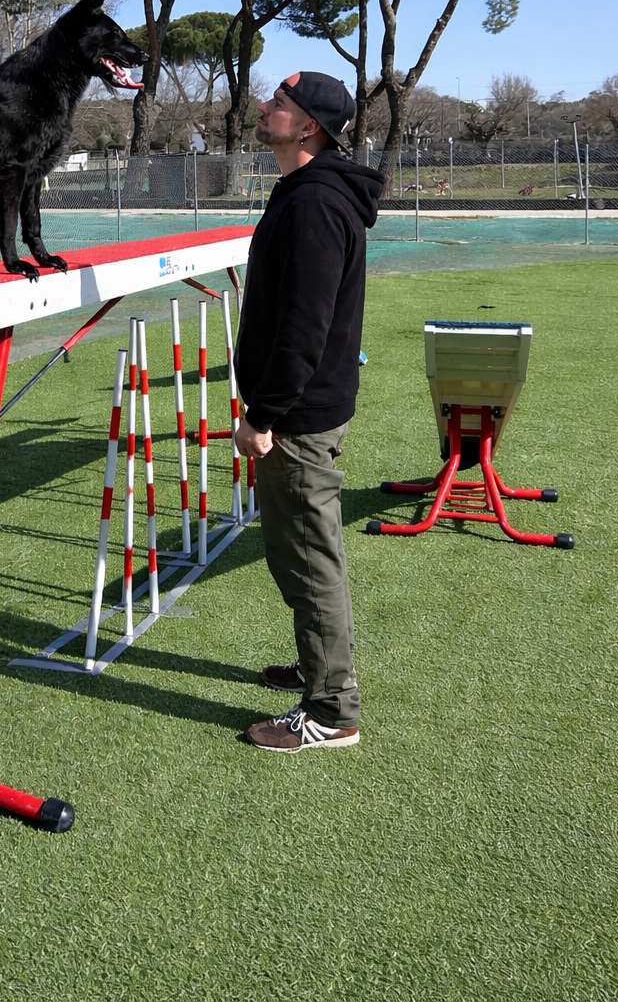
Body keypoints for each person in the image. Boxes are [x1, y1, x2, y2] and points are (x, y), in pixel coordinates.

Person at [234, 72, 383, 751]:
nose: (265, 108)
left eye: (280, 105)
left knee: (310, 559)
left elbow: (303, 327)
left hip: (296, 415)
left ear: (309, 128)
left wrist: (263, 415)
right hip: (302, 407)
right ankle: (318, 665)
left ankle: (330, 711)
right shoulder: (302, 194)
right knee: (296, 553)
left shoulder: (316, 203)